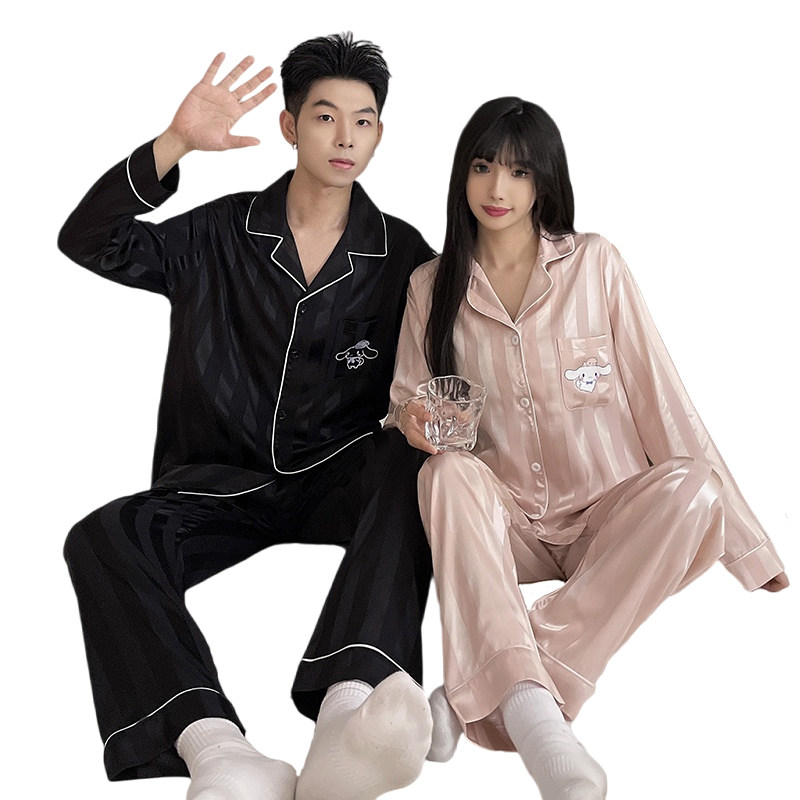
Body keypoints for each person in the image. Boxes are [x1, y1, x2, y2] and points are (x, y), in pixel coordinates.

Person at [58, 33, 436, 800]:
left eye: (362, 121)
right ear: (290, 126)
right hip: (216, 483)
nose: (345, 137)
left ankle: (349, 716)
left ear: (379, 135)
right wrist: (174, 143)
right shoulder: (217, 233)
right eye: (325, 117)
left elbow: (453, 359)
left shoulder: (403, 255)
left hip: (339, 477)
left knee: (414, 467)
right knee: (101, 535)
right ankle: (216, 748)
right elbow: (89, 240)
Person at [389, 97, 789, 800]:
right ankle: (539, 726)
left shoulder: (595, 263)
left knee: (697, 487)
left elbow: (662, 398)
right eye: (482, 167)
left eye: (518, 171)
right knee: (445, 473)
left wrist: (749, 549)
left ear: (545, 181)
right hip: (505, 525)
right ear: (461, 175)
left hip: (606, 518)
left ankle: (477, 690)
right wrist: (415, 421)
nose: (497, 188)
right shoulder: (431, 285)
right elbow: (407, 397)